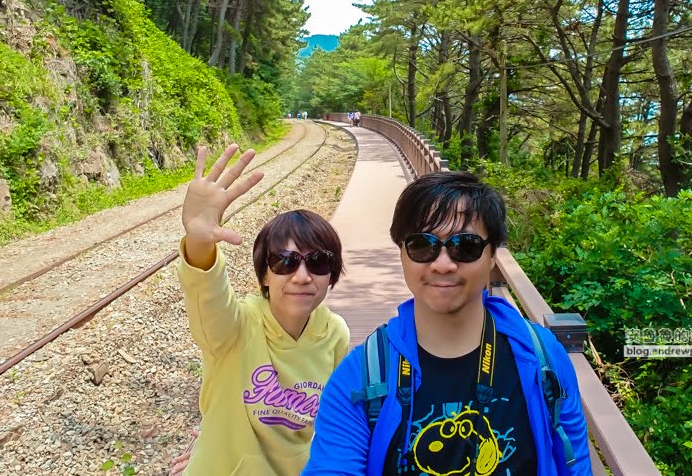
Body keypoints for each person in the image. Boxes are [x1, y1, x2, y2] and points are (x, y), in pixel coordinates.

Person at [301, 171, 591, 476]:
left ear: (493, 256)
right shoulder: (361, 376)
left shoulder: (543, 359)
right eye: (422, 245)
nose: (442, 264)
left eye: (465, 246)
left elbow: (576, 467)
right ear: (401, 253)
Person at [174, 143, 349, 475]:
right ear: (264, 275)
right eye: (284, 262)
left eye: (318, 262)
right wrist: (199, 241)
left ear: (332, 273)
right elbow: (207, 292)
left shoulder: (335, 333)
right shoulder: (234, 327)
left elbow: (337, 421)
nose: (302, 276)